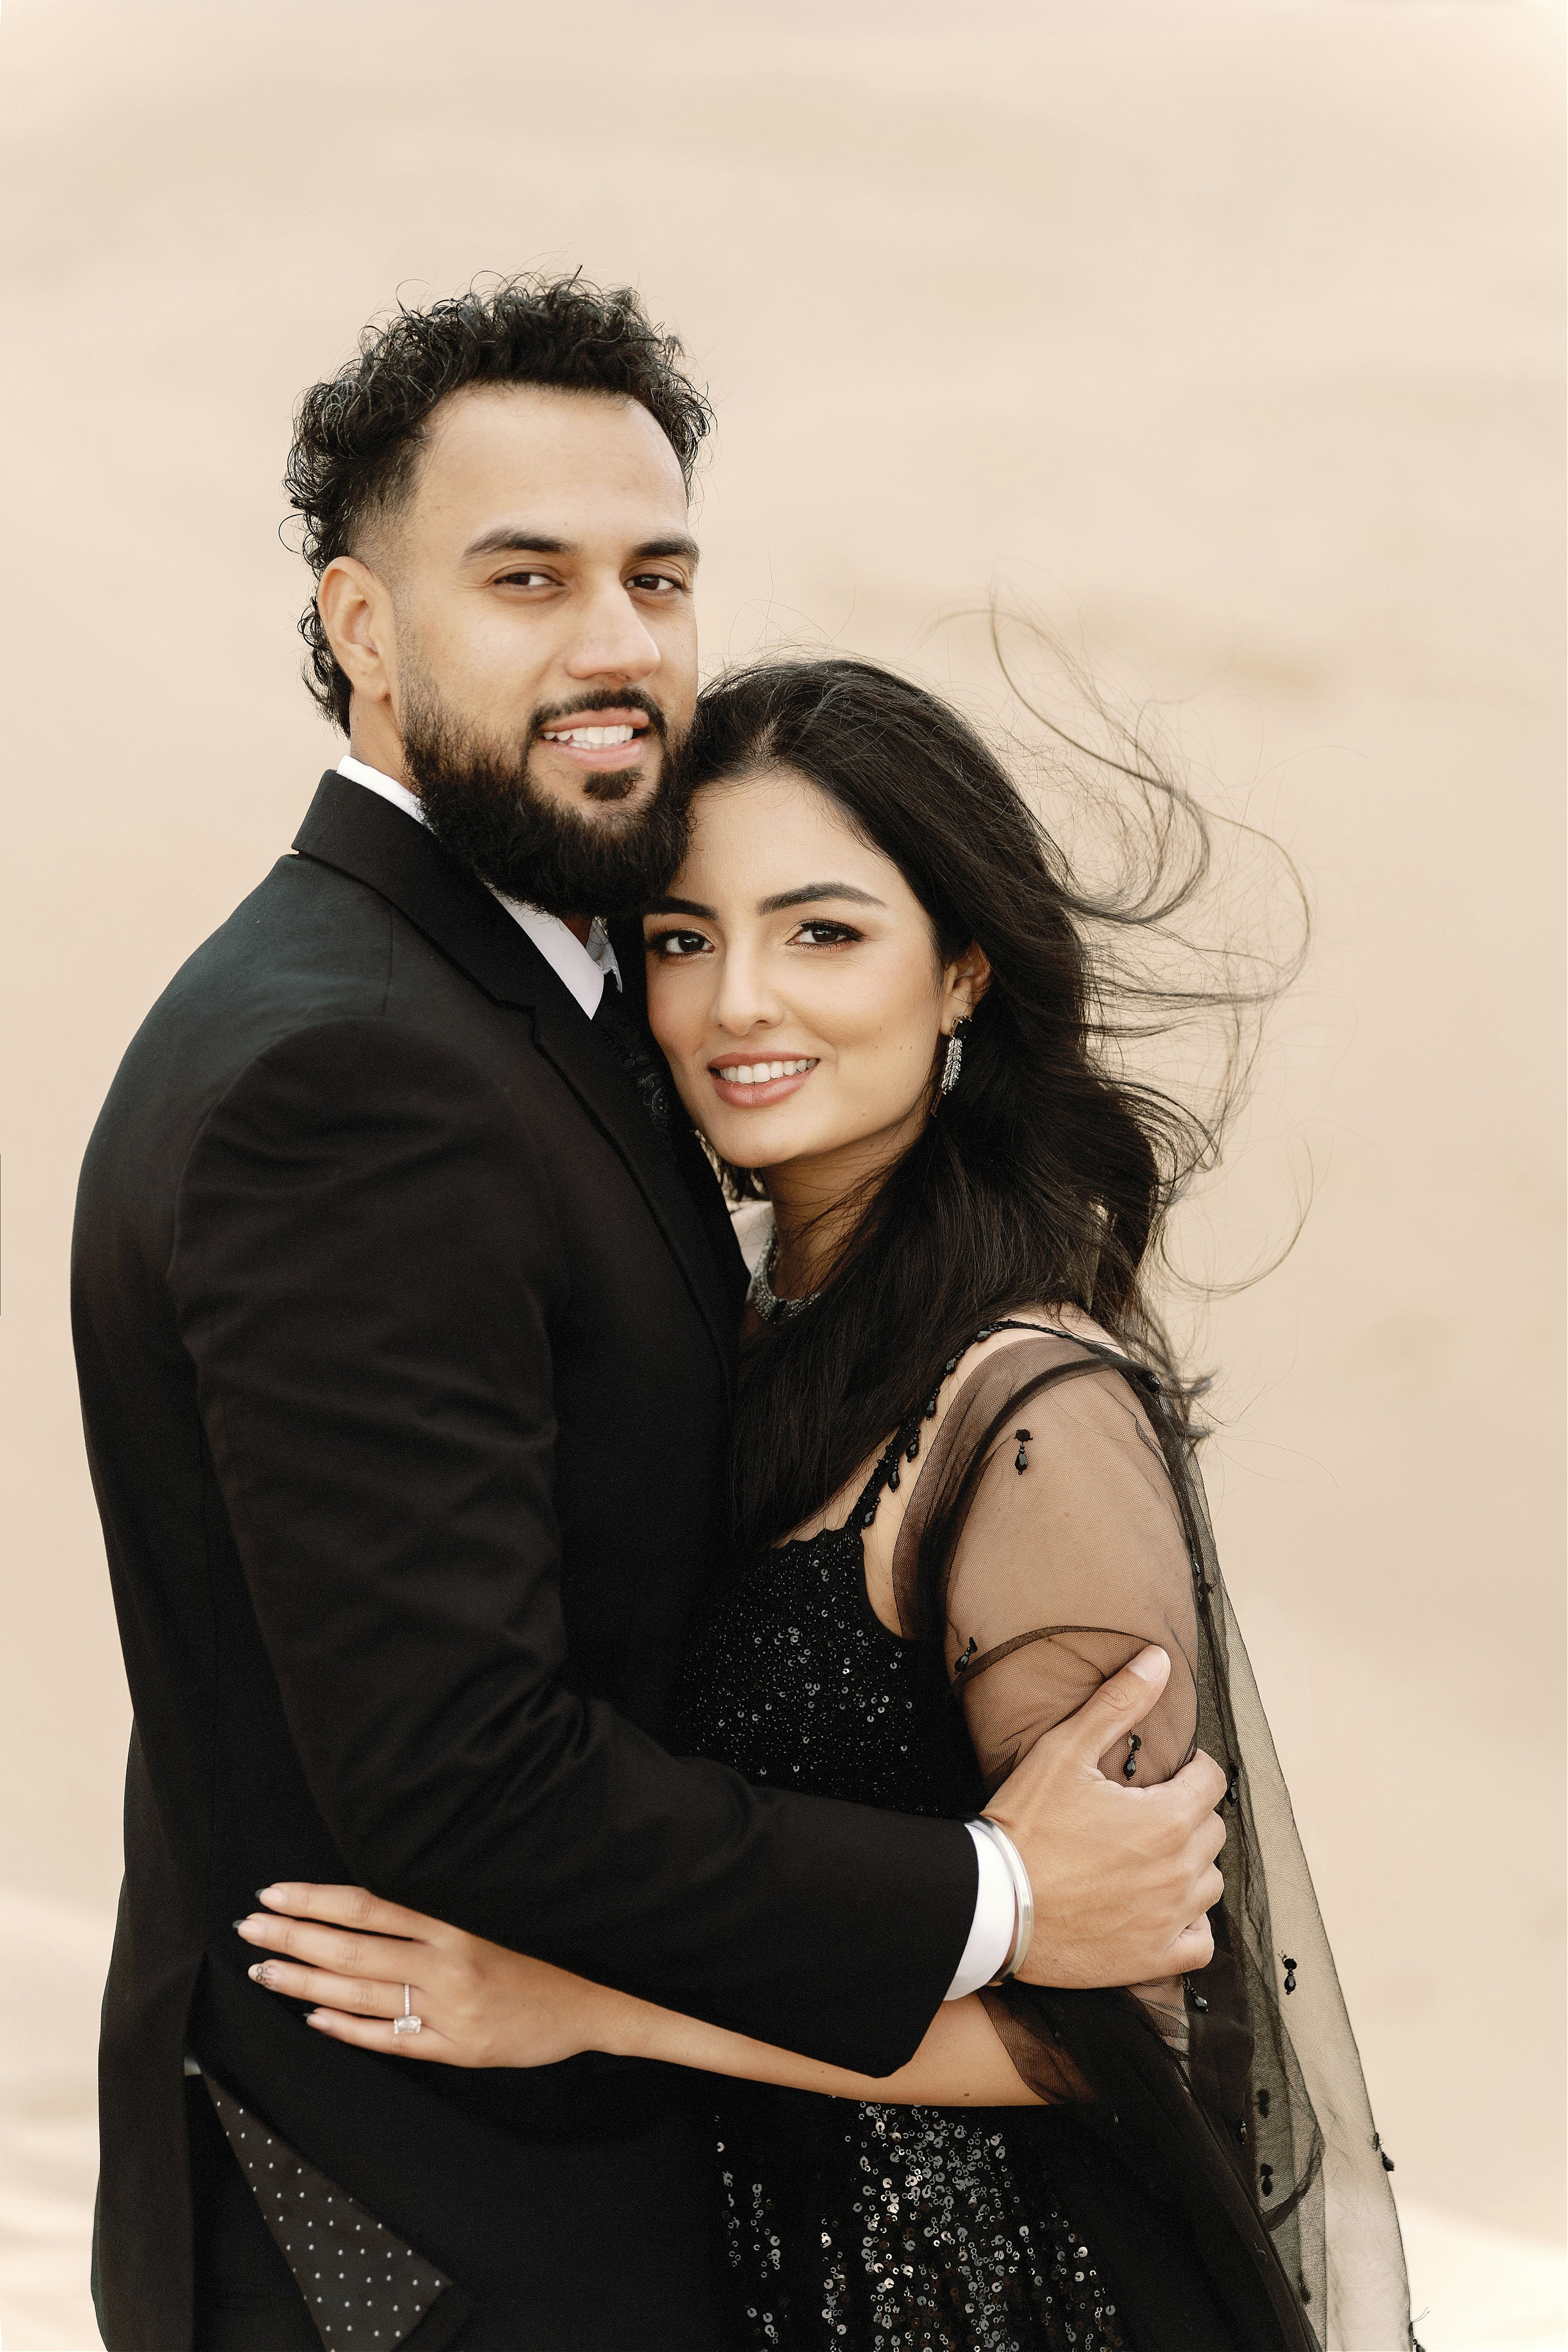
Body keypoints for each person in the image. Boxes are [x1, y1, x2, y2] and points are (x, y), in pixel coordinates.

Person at [71, 280, 1229, 2352]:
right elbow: (456, 1774)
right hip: (412, 2242)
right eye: (526, 579)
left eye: (656, 577)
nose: (616, 646)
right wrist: (1003, 1897)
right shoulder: (362, 1073)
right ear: (358, 626)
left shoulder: (518, 1001)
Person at [239, 658, 1416, 2352]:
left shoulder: (1026, 1416)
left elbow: (1127, 2025)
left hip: (988, 2302)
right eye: (681, 939)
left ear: (962, 973)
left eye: (824, 934)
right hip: (748, 2274)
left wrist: (583, 2008)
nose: (739, 1008)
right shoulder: (721, 1343)